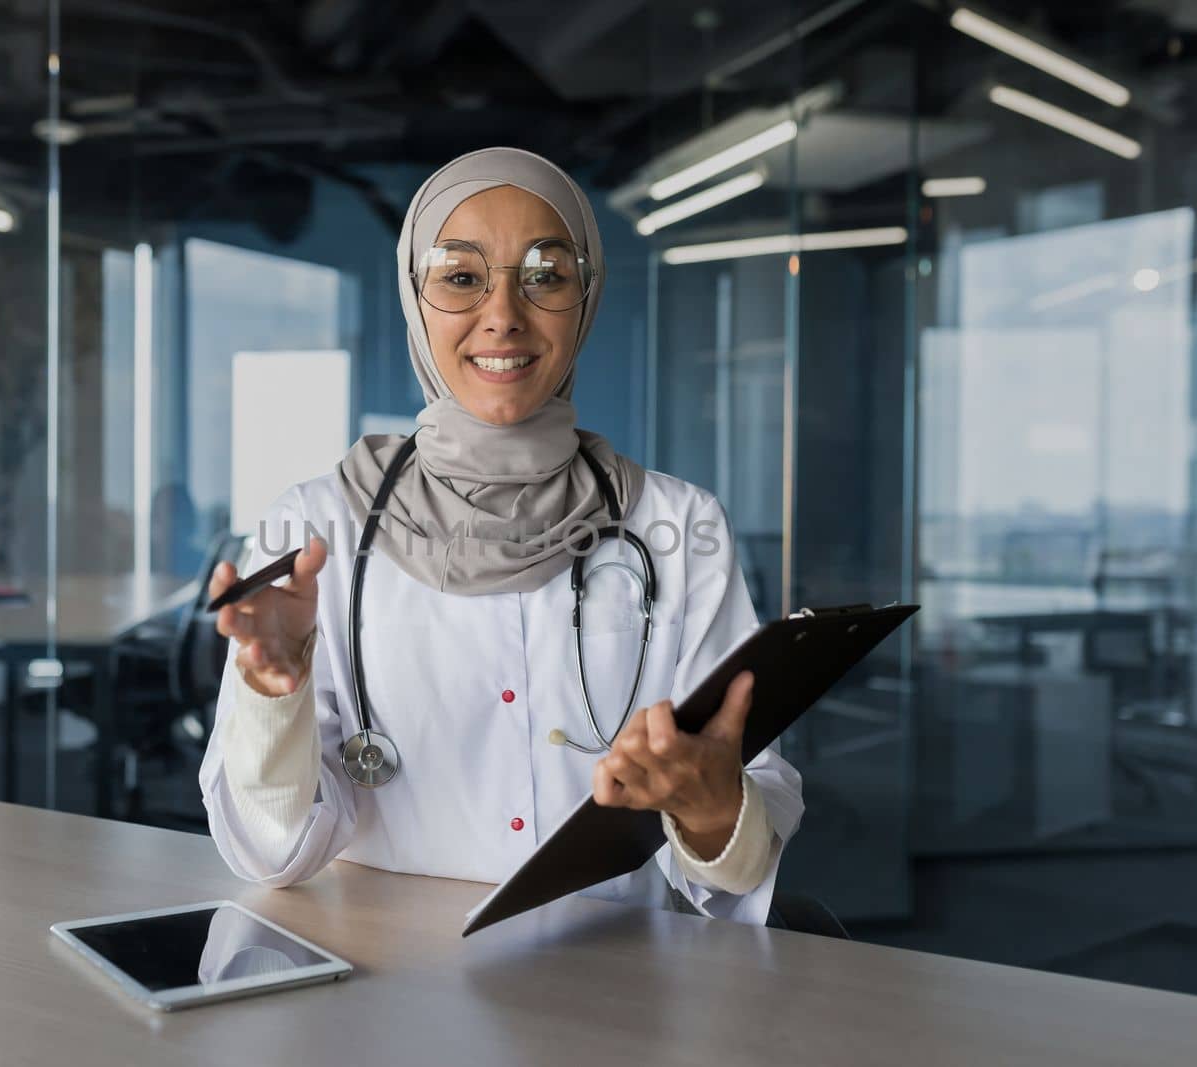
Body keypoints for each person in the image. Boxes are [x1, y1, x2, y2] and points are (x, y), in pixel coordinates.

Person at [198, 148, 802, 924]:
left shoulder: (679, 527)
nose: (504, 313)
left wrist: (717, 815)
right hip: (390, 999)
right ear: (415, 298)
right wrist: (270, 700)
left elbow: (740, 853)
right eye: (460, 275)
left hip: (613, 996)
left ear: (586, 295)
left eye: (546, 274)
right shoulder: (313, 531)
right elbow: (268, 855)